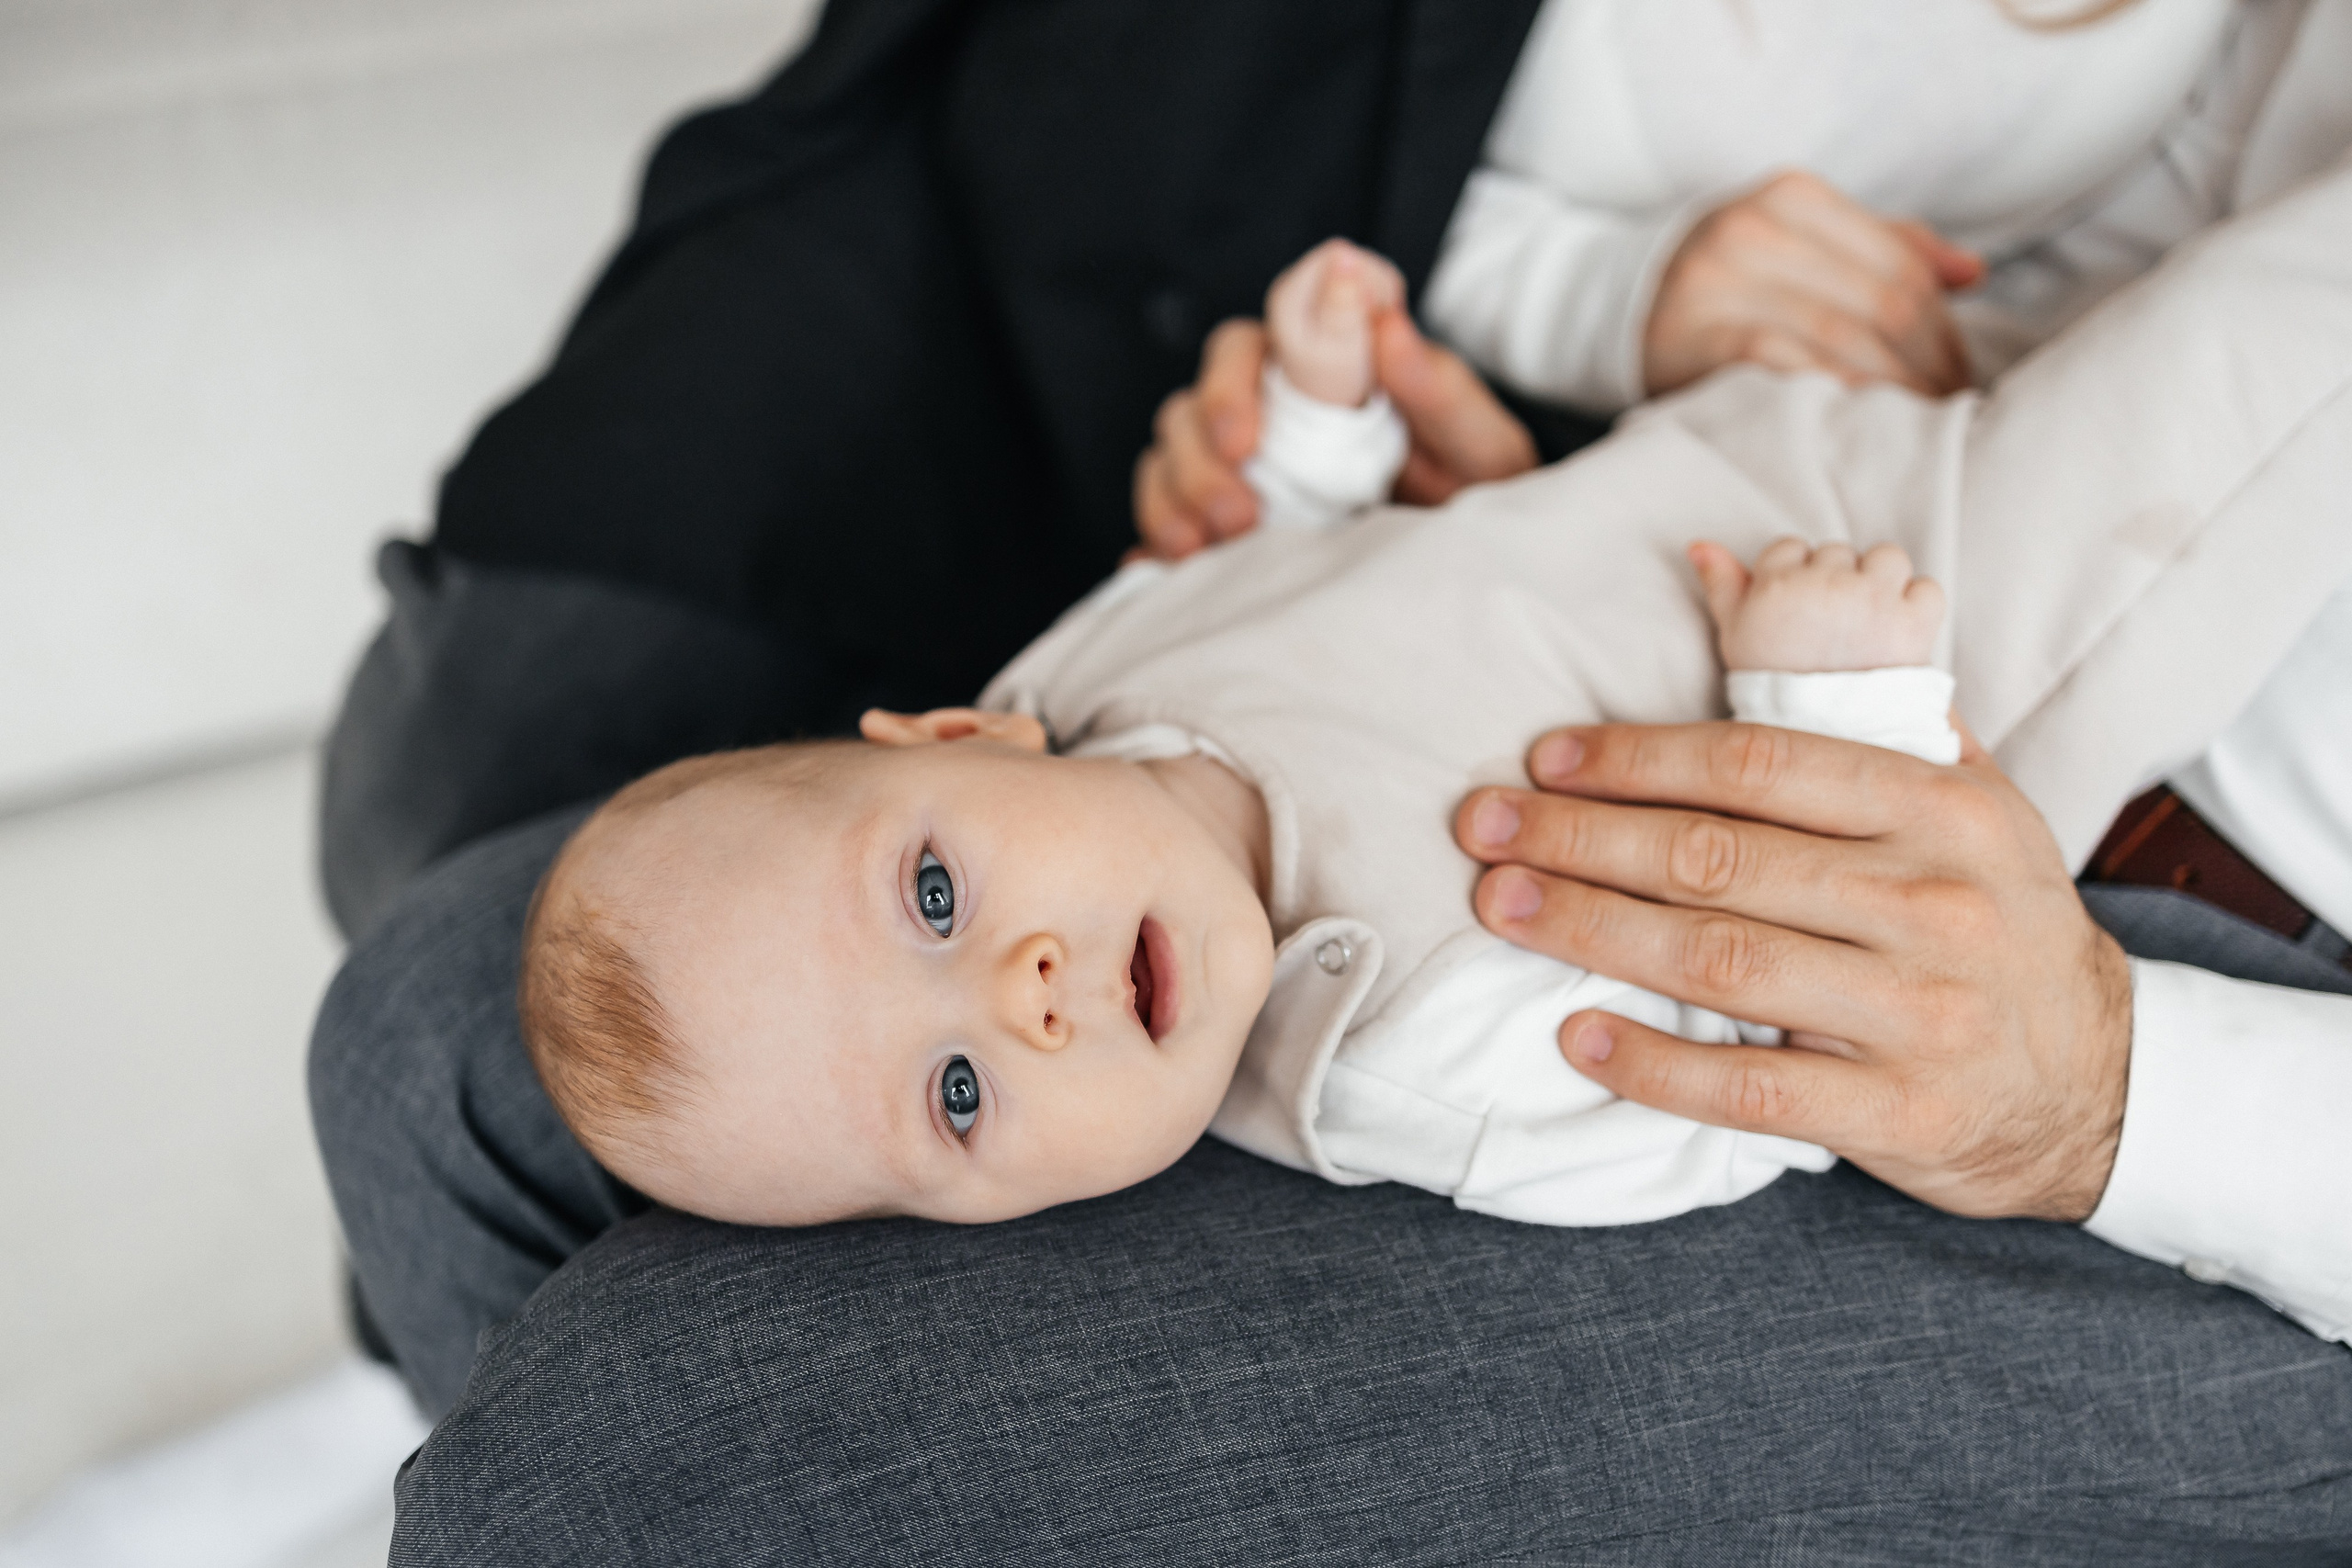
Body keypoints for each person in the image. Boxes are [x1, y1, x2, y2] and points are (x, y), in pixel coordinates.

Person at [313, 1, 2352, 1555]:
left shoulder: (1354, 986)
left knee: (621, 1476)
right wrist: (1395, 495)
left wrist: (2100, 1078)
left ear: (960, 734)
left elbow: (1754, 1051)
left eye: (939, 902)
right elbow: (1697, 1037)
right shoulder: (1302, 930)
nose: (1014, 990)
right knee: (427, 1049)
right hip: (1845, 615)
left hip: (2153, 921)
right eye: (959, 1094)